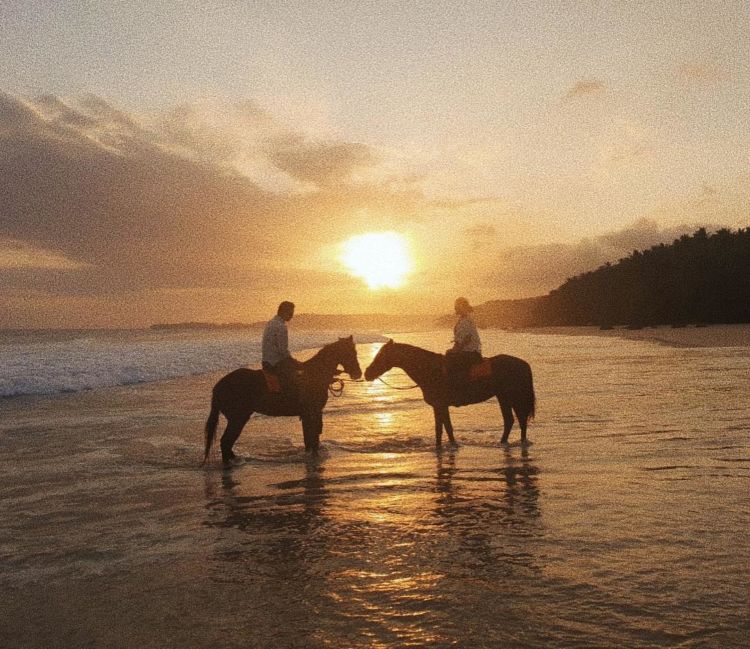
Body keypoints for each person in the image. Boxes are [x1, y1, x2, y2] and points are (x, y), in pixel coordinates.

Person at [262, 301, 303, 398]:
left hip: (266, 361)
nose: (292, 316)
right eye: (291, 313)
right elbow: (282, 351)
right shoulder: (281, 327)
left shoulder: (270, 323)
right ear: (284, 312)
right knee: (300, 377)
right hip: (276, 363)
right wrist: (293, 361)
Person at [445, 297, 482, 386]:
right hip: (467, 349)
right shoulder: (463, 319)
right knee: (449, 354)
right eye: (455, 306)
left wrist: (456, 350)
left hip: (470, 351)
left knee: (450, 358)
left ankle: (457, 386)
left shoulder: (466, 320)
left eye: (457, 306)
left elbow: (466, 339)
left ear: (462, 307)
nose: (455, 308)